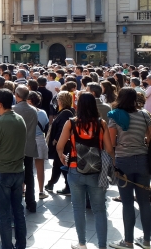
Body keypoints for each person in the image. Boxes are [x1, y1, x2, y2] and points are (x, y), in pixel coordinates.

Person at [56, 93, 114, 249]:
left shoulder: (71, 123)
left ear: (78, 105)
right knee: (100, 210)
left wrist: (63, 157)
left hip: (75, 170)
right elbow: (109, 148)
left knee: (78, 208)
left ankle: (82, 244)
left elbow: (59, 146)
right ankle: (102, 246)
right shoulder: (101, 124)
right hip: (96, 170)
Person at [108, 88, 151, 249]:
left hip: (124, 161)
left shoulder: (114, 115)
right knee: (144, 202)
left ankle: (128, 241)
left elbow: (112, 142)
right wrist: (144, 140)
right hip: (143, 160)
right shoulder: (144, 114)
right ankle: (147, 241)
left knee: (127, 202)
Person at [0, 88, 27, 249]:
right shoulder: (19, 119)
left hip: (2, 171)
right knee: (18, 211)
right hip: (18, 170)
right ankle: (21, 244)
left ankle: (7, 246)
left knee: (4, 214)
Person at [12, 85, 38, 212]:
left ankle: (17, 202)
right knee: (29, 175)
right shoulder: (33, 110)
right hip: (29, 146)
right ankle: (31, 202)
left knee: (16, 175)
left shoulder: (13, 109)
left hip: (16, 148)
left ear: (17, 95)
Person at [27, 91, 49, 200]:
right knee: (40, 168)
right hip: (40, 139)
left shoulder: (23, 112)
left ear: (29, 101)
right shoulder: (42, 113)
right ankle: (41, 191)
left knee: (25, 166)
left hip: (27, 140)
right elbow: (46, 126)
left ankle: (22, 189)